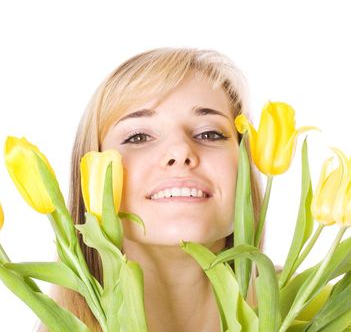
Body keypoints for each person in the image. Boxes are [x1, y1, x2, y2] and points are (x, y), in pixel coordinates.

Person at [38, 48, 263, 332]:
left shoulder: (322, 314)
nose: (180, 151)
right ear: (89, 176)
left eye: (209, 133)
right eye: (139, 137)